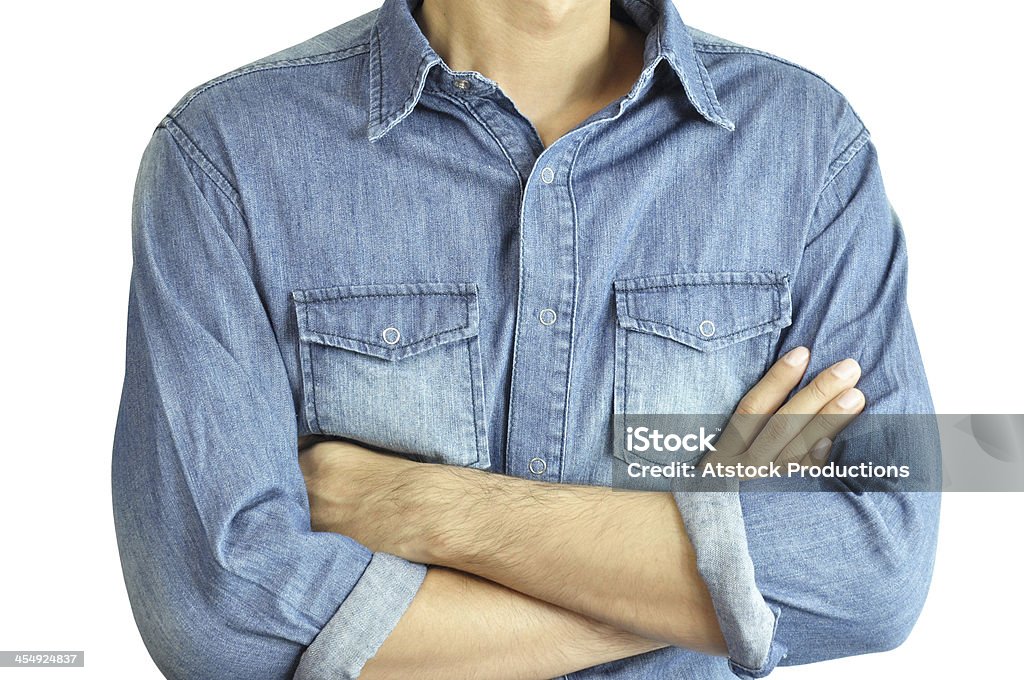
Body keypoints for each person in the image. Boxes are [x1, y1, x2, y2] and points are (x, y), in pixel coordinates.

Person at [111, 0, 940, 678]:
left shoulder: (806, 141)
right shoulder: (223, 155)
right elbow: (216, 618)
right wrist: (712, 572)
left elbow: (878, 568)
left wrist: (427, 509)